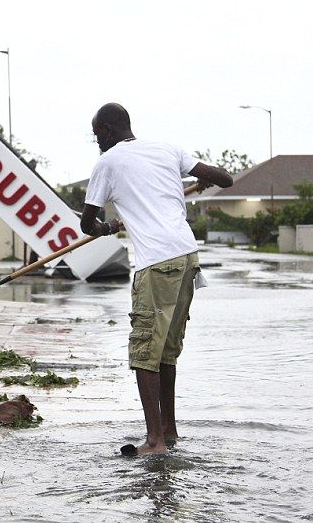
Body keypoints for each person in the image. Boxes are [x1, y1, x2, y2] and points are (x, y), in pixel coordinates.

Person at [80, 103, 233, 456]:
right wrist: (202, 180)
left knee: (145, 350)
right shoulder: (167, 150)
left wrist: (106, 228)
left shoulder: (108, 163)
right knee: (165, 351)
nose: (96, 141)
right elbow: (225, 179)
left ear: (107, 131)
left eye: (96, 134)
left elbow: (87, 223)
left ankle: (154, 442)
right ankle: (168, 429)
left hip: (157, 262)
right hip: (187, 258)